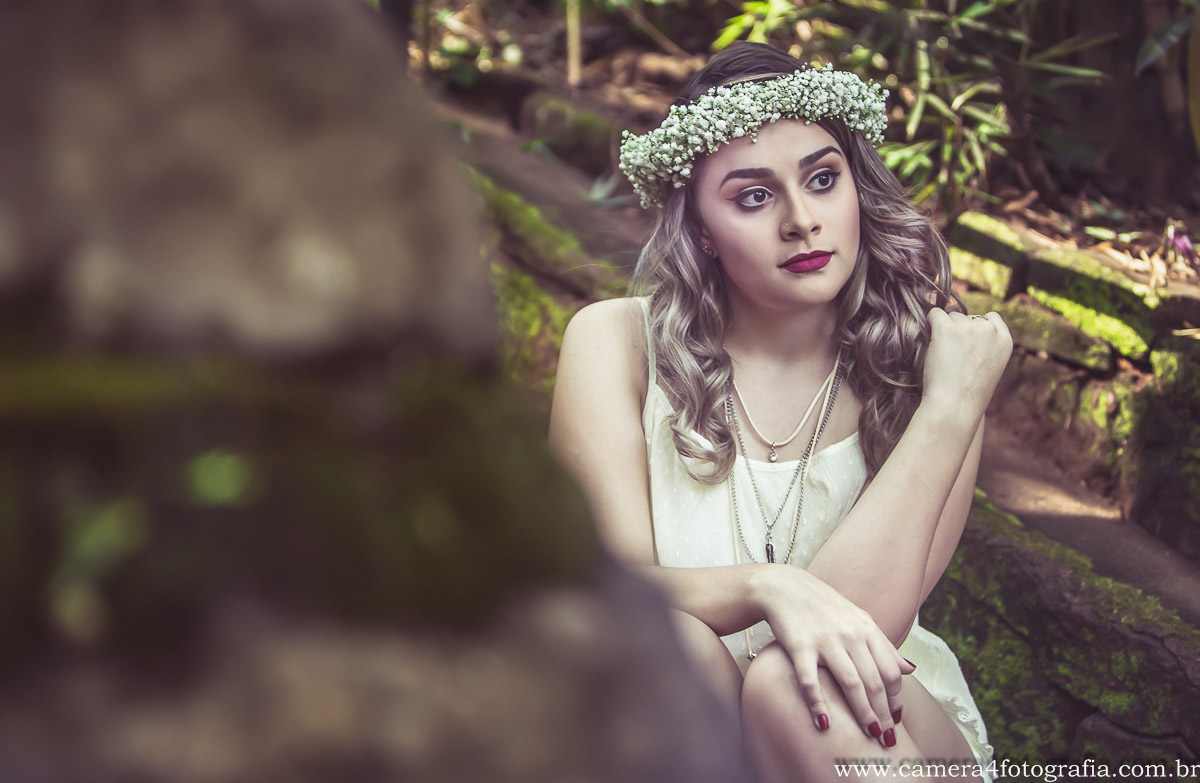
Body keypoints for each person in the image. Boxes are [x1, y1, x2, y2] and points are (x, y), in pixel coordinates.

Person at [549, 41, 1013, 782]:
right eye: (754, 196)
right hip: (689, 730)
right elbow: (608, 586)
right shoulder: (614, 343)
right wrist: (769, 584)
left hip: (872, 722)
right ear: (700, 225)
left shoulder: (929, 372)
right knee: (660, 648)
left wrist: (952, 406)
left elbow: (855, 637)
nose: (801, 220)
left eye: (824, 179)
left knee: (800, 687)